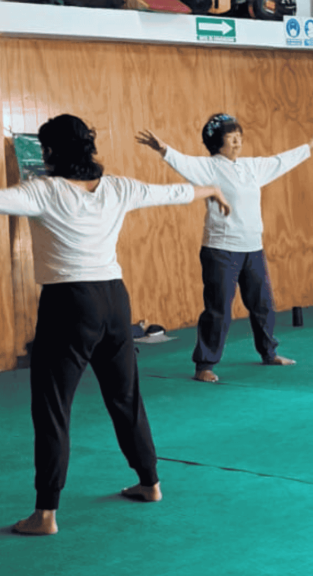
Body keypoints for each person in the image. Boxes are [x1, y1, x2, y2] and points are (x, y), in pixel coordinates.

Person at [1, 114, 230, 535]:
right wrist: (212, 188)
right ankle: (150, 482)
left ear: (49, 153)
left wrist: (209, 188)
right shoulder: (119, 187)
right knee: (125, 396)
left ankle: (45, 513)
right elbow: (173, 192)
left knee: (53, 408)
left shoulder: (44, 191)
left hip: (69, 303)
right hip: (113, 302)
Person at [136, 115, 313, 383]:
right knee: (218, 310)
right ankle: (205, 364)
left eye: (239, 133)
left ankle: (269, 353)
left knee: (263, 305)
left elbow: (278, 162)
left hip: (253, 249)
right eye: (231, 135)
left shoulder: (251, 167)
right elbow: (184, 162)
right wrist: (163, 149)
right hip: (221, 250)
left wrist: (307, 147)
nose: (238, 139)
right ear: (217, 141)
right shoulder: (208, 167)